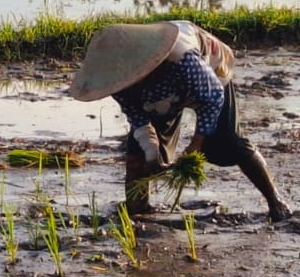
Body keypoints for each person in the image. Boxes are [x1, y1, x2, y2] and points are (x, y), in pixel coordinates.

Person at [70, 20, 292, 222]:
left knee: (226, 142)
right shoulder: (116, 81)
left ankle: (275, 201)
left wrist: (196, 145)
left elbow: (213, 96)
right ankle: (138, 212)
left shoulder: (181, 56)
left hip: (212, 77)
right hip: (161, 96)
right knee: (137, 155)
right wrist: (151, 150)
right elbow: (137, 116)